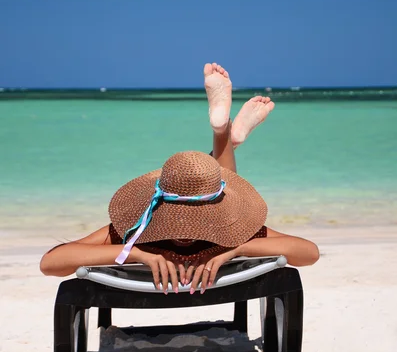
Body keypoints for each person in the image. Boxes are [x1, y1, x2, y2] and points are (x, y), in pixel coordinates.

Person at [40, 63, 319, 292]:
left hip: (213, 213)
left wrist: (237, 250)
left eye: (194, 221)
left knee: (211, 182)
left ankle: (224, 134)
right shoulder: (148, 231)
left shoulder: (142, 230)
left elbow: (309, 252)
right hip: (215, 209)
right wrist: (136, 254)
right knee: (218, 184)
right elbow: (51, 262)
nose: (186, 233)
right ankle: (224, 135)